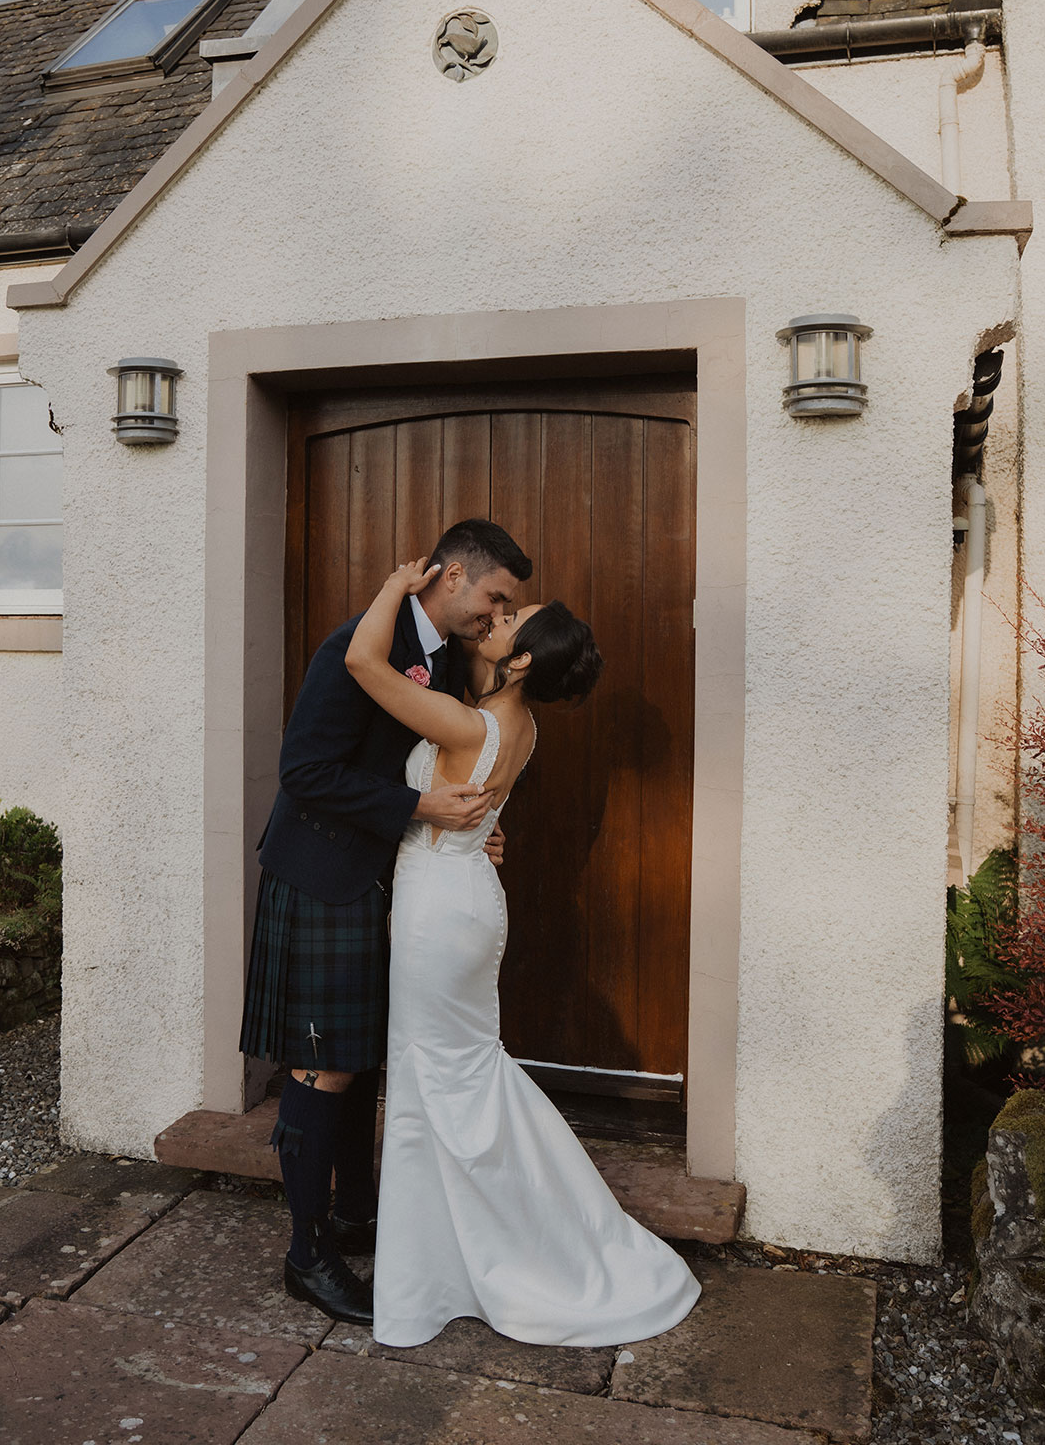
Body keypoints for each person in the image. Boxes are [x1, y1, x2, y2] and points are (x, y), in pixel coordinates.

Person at [345, 559, 702, 1348]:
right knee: (458, 1076)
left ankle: (468, 1267)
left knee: (437, 1080)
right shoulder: (520, 728)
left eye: (510, 620)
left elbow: (363, 663)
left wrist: (398, 587)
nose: (496, 619)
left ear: (524, 660)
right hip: (468, 895)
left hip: (440, 912)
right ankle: (450, 1262)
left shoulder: (468, 724)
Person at [239, 518, 533, 1326]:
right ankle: (307, 1256)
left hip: (380, 881)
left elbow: (446, 759)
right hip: (320, 878)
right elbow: (304, 770)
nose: (497, 615)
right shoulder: (357, 645)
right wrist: (419, 807)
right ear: (450, 576)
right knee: (321, 1066)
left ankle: (356, 1217)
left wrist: (468, 827)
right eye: (494, 597)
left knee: (360, 1061)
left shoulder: (450, 661)